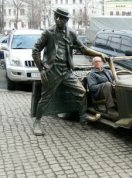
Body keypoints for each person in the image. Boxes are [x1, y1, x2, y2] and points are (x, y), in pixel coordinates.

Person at [32, 7, 108, 136]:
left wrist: (99, 54)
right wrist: (41, 69)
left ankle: (83, 118)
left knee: (82, 92)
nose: (58, 19)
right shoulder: (48, 33)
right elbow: (35, 50)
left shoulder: (71, 34)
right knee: (45, 98)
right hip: (52, 71)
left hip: (66, 71)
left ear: (66, 20)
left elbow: (83, 49)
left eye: (61, 18)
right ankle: (37, 122)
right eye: (56, 16)